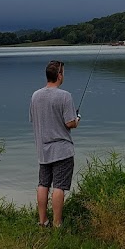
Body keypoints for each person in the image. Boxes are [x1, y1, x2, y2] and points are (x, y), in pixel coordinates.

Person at [29, 59, 80, 228]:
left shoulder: (35, 96)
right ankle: (57, 224)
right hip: (62, 150)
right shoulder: (65, 96)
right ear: (59, 76)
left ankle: (42, 221)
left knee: (43, 184)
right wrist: (77, 120)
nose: (63, 76)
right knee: (59, 187)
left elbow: (33, 119)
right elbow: (70, 123)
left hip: (43, 150)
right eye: (63, 73)